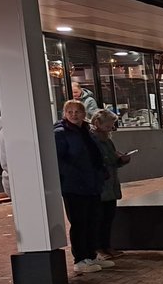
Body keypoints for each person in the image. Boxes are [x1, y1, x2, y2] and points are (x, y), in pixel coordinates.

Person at [54, 99, 109, 274]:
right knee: (79, 222)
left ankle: (91, 255)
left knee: (93, 220)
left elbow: (94, 155)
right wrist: (74, 174)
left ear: (84, 114)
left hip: (92, 184)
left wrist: (101, 173)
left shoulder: (87, 131)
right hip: (74, 186)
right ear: (64, 114)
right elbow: (59, 160)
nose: (73, 115)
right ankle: (80, 259)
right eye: (69, 112)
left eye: (77, 111)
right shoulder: (60, 133)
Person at [89, 109, 131, 261]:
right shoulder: (92, 140)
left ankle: (106, 246)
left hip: (110, 185)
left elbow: (112, 160)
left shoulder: (107, 140)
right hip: (99, 186)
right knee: (98, 219)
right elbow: (96, 161)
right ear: (97, 123)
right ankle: (98, 248)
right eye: (108, 125)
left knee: (108, 218)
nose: (111, 128)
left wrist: (121, 160)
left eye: (112, 125)